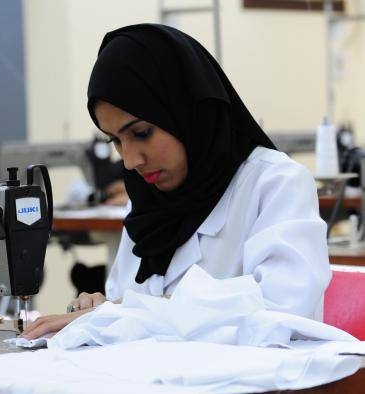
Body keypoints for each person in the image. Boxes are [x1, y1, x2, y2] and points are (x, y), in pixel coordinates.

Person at [22, 24, 330, 339]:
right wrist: (97, 310)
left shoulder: (276, 184)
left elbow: (283, 313)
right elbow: (124, 307)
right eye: (115, 140)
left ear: (186, 112)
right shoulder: (147, 204)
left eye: (141, 133)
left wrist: (123, 314)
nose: (130, 161)